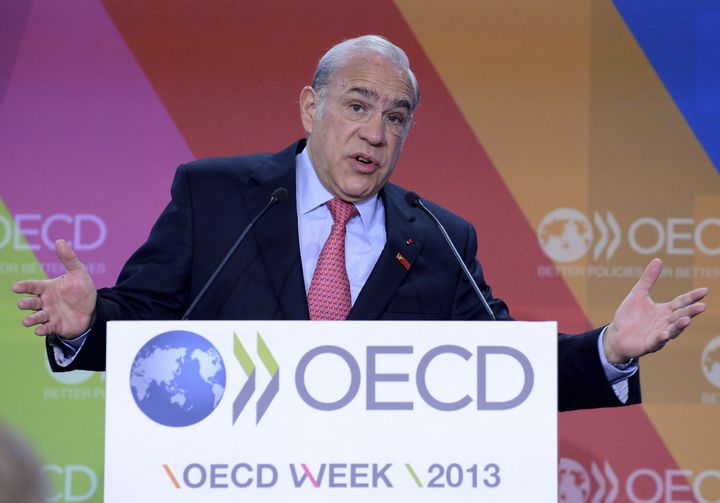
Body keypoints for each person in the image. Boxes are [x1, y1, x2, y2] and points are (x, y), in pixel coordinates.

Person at [13, 35, 707, 412]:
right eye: (357, 106)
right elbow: (145, 323)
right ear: (310, 108)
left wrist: (610, 349)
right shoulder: (215, 195)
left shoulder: (439, 238)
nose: (376, 132)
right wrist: (88, 322)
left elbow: (506, 370)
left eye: (395, 117)